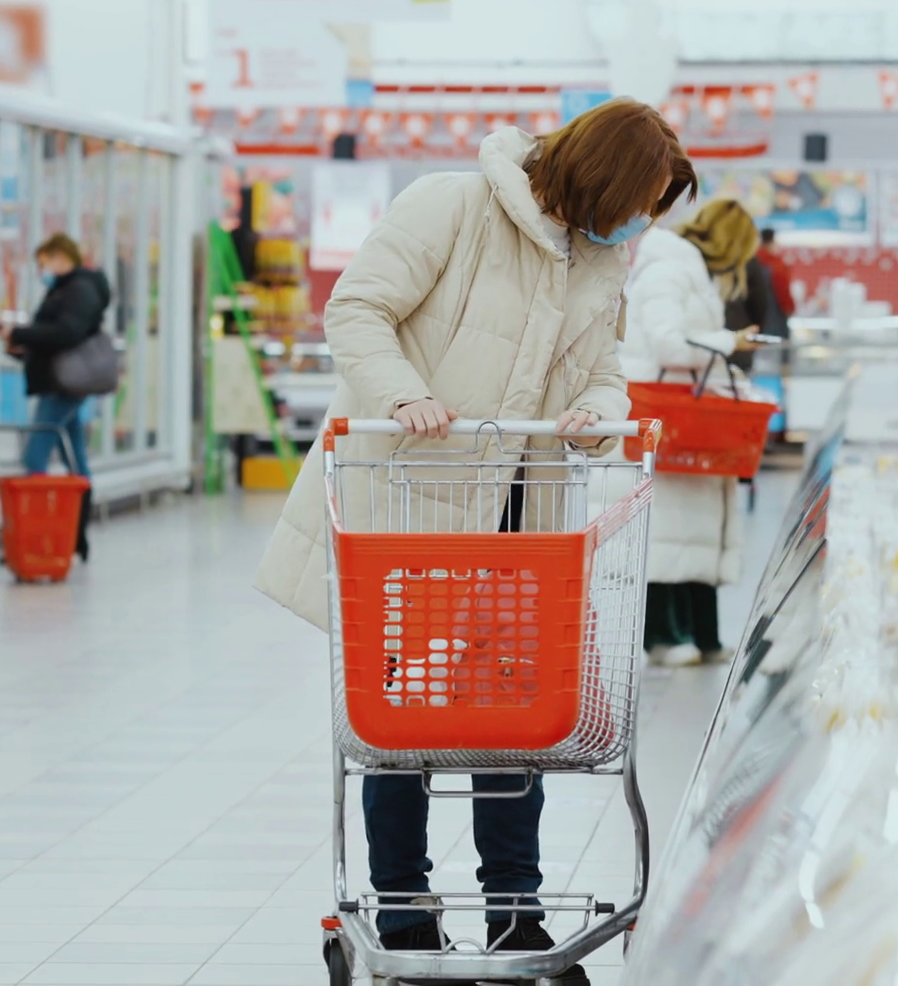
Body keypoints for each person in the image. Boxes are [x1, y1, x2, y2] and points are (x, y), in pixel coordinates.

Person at [254, 99, 695, 977]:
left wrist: (596, 412)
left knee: (514, 725)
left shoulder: (599, 260)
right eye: (636, 203)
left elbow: (606, 373)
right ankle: (404, 910)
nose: (638, 224)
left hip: (525, 533)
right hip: (409, 511)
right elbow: (358, 310)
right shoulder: (451, 205)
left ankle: (515, 912)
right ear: (597, 178)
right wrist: (404, 394)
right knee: (399, 724)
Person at [621, 199, 761, 667]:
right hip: (668, 420)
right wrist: (729, 342)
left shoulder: (688, 273)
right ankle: (663, 638)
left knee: (691, 530)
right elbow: (669, 345)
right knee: (667, 532)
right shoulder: (668, 272)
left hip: (688, 421)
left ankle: (703, 637)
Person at [0, 232, 109, 560]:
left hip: (63, 386)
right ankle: (74, 534)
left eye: (44, 263)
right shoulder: (66, 289)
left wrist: (20, 333)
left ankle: (40, 534)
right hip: (59, 382)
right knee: (75, 461)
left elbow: (67, 333)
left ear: (61, 257)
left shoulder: (79, 289)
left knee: (35, 457)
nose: (42, 271)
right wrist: (20, 344)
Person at [722, 226, 788, 375]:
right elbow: (763, 300)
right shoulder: (768, 263)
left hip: (723, 340)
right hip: (753, 329)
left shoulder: (709, 258)